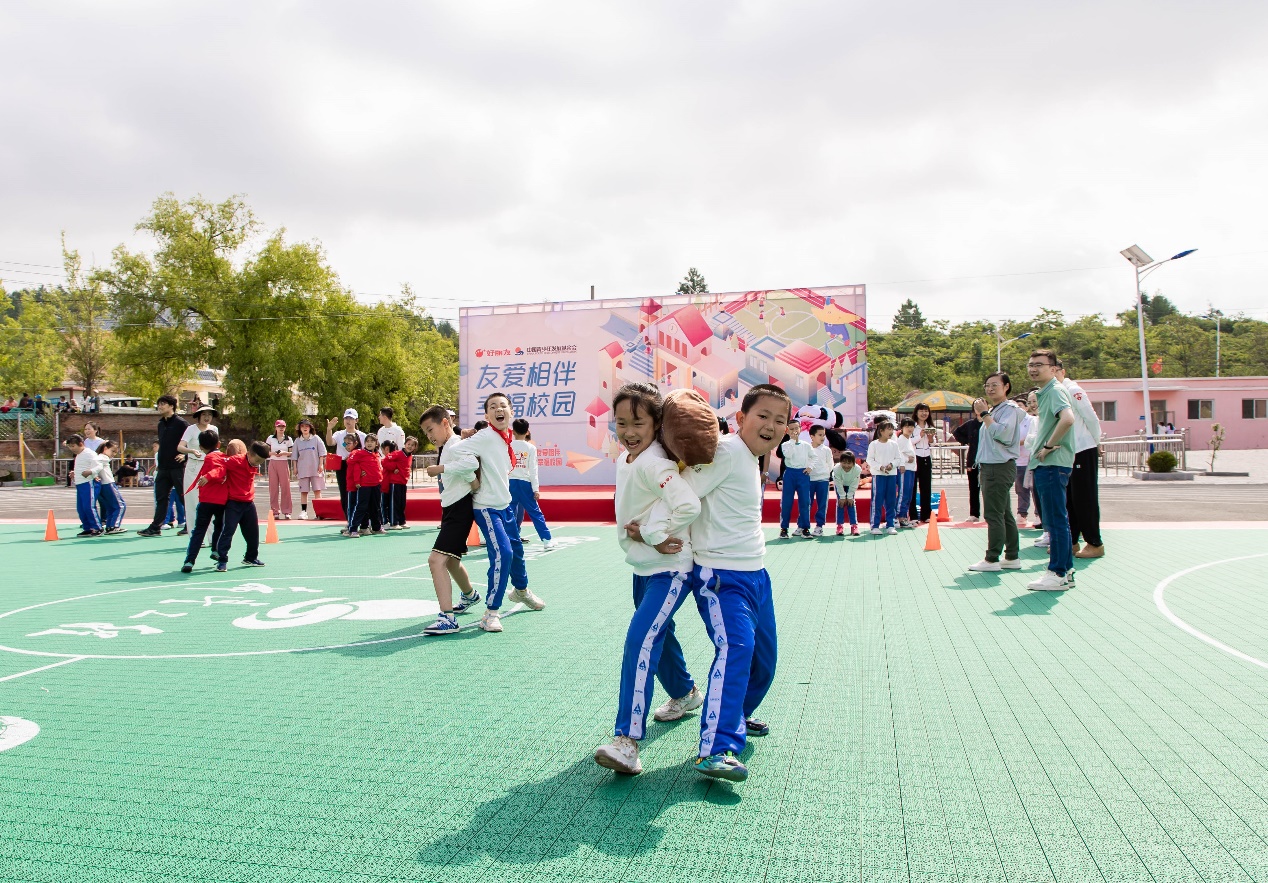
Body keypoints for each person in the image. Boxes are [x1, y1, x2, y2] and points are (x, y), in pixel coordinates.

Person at [678, 383, 789, 782]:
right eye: (763, 416)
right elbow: (682, 493)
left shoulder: (750, 457)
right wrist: (654, 533)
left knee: (764, 661)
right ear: (741, 418)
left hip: (756, 572)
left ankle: (736, 715)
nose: (771, 425)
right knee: (736, 649)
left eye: (780, 420)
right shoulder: (725, 451)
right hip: (721, 575)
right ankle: (716, 747)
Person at [593, 383, 703, 775]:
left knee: (640, 639)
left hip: (669, 571)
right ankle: (686, 693)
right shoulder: (629, 458)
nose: (627, 431)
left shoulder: (653, 461)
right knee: (661, 633)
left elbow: (688, 504)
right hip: (643, 568)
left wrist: (654, 534)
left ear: (657, 423)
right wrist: (643, 535)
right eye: (621, 422)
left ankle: (627, 740)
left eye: (638, 422)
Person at [465, 392, 546, 632]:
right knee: (504, 553)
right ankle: (490, 612)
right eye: (493, 406)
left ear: (511, 412)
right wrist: (471, 478)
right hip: (487, 507)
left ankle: (520, 591)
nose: (499, 409)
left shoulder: (506, 438)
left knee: (518, 552)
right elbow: (457, 452)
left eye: (503, 406)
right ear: (487, 415)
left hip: (505, 504)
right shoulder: (485, 436)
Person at [419, 407, 482, 635]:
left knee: (436, 561)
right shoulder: (449, 445)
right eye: (426, 433)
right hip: (452, 509)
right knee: (452, 561)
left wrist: (440, 468)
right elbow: (468, 471)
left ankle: (448, 618)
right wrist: (470, 481)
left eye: (431, 429)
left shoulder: (455, 444)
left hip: (459, 509)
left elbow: (471, 465)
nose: (430, 436)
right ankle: (470, 595)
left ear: (445, 423)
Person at [1025, 350, 1077, 591]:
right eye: (1030, 364)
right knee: (1058, 519)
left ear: (1053, 368)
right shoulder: (1045, 392)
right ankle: (1065, 570)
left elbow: (1067, 418)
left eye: (1039, 365)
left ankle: (1056, 572)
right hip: (1051, 463)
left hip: (1052, 463)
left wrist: (1048, 446)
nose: (1033, 368)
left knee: (1055, 520)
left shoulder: (1054, 391)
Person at [967, 373, 1025, 573]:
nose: (990, 389)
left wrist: (984, 415)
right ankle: (1011, 555)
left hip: (997, 467)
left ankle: (992, 558)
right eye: (987, 385)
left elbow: (1003, 435)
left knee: (993, 514)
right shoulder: (996, 410)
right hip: (994, 465)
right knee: (1004, 513)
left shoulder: (1008, 410)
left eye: (995, 385)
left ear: (1006, 386)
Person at [1057, 365, 1105, 560]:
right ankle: (1072, 541)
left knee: (1084, 498)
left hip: (1083, 448)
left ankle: (1094, 542)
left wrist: (1097, 441)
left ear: (1062, 371)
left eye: (1054, 369)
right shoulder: (1055, 393)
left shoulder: (1073, 390)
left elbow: (1091, 418)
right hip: (1068, 451)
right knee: (1070, 499)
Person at [213, 440, 269, 572]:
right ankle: (222, 560)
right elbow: (219, 464)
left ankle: (250, 557)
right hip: (233, 503)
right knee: (228, 532)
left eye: (261, 462)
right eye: (257, 460)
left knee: (253, 533)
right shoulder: (235, 461)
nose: (257, 464)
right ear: (249, 453)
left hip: (248, 503)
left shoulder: (255, 462)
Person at [137, 395, 189, 537]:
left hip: (177, 467)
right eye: (159, 404)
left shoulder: (181, 424)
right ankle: (156, 527)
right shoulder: (161, 424)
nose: (160, 407)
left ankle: (191, 524)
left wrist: (185, 455)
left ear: (172, 406)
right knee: (161, 497)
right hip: (163, 468)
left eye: (163, 404)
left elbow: (192, 442)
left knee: (184, 496)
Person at [182, 429, 227, 573]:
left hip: (207, 499)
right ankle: (215, 550)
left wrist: (209, 476)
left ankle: (190, 560)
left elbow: (217, 471)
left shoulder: (209, 458)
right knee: (219, 526)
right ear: (219, 443)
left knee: (199, 530)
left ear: (200, 447)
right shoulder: (225, 457)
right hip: (221, 500)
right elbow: (222, 470)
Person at [510, 418, 556, 548]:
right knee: (535, 512)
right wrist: (536, 489)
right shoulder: (530, 448)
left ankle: (509, 540)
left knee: (508, 513)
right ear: (527, 432)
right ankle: (546, 540)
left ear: (513, 431)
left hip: (509, 483)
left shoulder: (508, 446)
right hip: (525, 484)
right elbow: (533, 469)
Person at [178, 405, 217, 526]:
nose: (207, 417)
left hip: (209, 467)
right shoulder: (191, 429)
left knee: (210, 501)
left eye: (209, 414)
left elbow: (215, 448)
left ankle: (211, 537)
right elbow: (180, 446)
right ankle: (197, 537)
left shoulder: (214, 429)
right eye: (204, 414)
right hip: (193, 466)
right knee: (193, 502)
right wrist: (191, 451)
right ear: (199, 416)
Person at [341, 433, 385, 537]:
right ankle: (353, 529)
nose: (369, 443)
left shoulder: (377, 454)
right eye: (367, 441)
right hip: (365, 485)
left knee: (376, 507)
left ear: (376, 443)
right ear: (364, 443)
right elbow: (350, 462)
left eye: (372, 441)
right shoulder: (359, 453)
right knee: (361, 506)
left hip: (376, 484)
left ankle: (376, 527)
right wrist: (358, 476)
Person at [326, 409, 366, 517]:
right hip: (343, 465)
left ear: (356, 420)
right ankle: (349, 520)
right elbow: (330, 443)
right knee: (344, 493)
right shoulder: (339, 434)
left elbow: (366, 451)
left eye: (351, 418)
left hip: (358, 465)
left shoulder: (362, 436)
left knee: (359, 492)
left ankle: (360, 520)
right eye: (346, 418)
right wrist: (329, 429)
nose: (348, 421)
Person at [867, 421, 902, 535]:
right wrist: (880, 467)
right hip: (879, 475)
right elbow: (870, 459)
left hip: (891, 475)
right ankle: (874, 525)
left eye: (892, 429)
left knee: (891, 500)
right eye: (888, 429)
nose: (891, 432)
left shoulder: (894, 444)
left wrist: (892, 465)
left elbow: (898, 458)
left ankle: (890, 525)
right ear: (881, 431)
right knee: (877, 500)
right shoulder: (874, 444)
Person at [65, 435, 103, 537]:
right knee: (81, 508)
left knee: (88, 506)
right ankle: (88, 527)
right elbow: (82, 467)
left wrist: (91, 472)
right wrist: (74, 473)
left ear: (81, 444)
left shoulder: (89, 453)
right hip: (80, 484)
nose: (71, 449)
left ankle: (97, 527)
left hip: (89, 483)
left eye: (73, 446)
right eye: (70, 447)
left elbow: (99, 465)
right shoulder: (79, 455)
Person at [777, 425, 811, 539]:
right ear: (787, 431)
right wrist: (792, 440)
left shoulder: (806, 445)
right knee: (787, 502)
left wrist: (810, 467)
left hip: (803, 474)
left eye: (796, 428)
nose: (794, 431)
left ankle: (805, 528)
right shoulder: (785, 445)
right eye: (791, 429)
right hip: (790, 473)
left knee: (805, 501)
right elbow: (788, 455)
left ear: (800, 429)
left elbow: (813, 457)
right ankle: (784, 528)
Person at [92, 440, 127, 534]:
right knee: (121, 505)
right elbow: (96, 462)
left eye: (115, 452)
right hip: (108, 484)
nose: (114, 454)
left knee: (111, 507)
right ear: (105, 449)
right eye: (113, 451)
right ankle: (114, 526)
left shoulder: (101, 457)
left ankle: (109, 526)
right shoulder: (102, 457)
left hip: (102, 486)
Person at [805, 425, 834, 537]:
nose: (822, 437)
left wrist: (825, 473)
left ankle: (819, 526)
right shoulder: (807, 449)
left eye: (824, 435)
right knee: (807, 503)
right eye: (820, 435)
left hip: (823, 480)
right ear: (812, 436)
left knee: (822, 504)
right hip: (810, 480)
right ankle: (803, 525)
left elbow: (830, 464)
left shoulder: (826, 450)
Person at [953, 413, 982, 522]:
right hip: (973, 458)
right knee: (973, 488)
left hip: (987, 459)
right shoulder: (971, 424)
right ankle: (974, 514)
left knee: (989, 489)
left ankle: (991, 514)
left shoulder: (989, 422)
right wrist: (967, 440)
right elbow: (957, 433)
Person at [909, 404, 936, 523]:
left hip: (926, 457)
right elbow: (908, 442)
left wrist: (930, 438)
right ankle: (913, 515)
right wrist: (920, 436)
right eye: (921, 411)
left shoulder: (929, 426)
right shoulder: (911, 426)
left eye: (926, 411)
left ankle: (926, 515)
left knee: (926, 487)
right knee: (913, 487)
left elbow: (932, 443)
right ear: (916, 412)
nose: (924, 413)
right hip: (915, 457)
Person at [266, 420, 295, 520]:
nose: (281, 428)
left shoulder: (289, 439)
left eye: (283, 426)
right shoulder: (270, 438)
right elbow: (266, 451)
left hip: (283, 462)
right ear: (276, 427)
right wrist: (274, 453)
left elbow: (292, 453)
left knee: (285, 487)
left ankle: (287, 511)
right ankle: (275, 511)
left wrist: (283, 452)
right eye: (279, 426)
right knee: (273, 487)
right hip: (273, 462)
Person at [379, 440, 410, 530]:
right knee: (385, 504)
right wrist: (396, 467)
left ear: (386, 449)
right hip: (386, 485)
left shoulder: (391, 459)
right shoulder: (390, 460)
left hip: (387, 485)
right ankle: (385, 521)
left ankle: (389, 521)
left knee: (388, 504)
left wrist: (396, 467)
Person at [1013, 395, 1035, 526]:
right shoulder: (1013, 422)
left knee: (1035, 489)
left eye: (1020, 406)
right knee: (1021, 489)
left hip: (1031, 460)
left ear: (1026, 408)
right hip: (1018, 461)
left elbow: (1030, 439)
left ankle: (1039, 514)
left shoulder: (1032, 420)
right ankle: (1022, 514)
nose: (1018, 409)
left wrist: (1015, 443)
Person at [832, 450, 861, 536]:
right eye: (844, 463)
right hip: (840, 485)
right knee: (840, 503)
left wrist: (849, 496)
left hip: (850, 486)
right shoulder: (836, 468)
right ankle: (839, 526)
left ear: (853, 463)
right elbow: (838, 483)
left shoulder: (857, 469)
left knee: (851, 503)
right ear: (840, 462)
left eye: (849, 463)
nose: (846, 466)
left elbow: (854, 483)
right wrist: (842, 496)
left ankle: (854, 526)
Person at [895, 418, 918, 529]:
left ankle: (904, 516)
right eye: (907, 426)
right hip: (904, 469)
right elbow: (897, 453)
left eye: (911, 426)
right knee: (903, 493)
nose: (909, 429)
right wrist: (903, 462)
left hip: (911, 469)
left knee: (908, 494)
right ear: (902, 428)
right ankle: (899, 517)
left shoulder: (908, 439)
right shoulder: (901, 439)